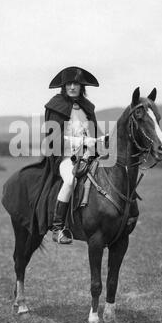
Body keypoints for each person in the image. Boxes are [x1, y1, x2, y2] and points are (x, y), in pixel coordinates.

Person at [45, 66, 99, 244]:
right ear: (64, 86)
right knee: (70, 181)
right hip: (65, 157)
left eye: (76, 83)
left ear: (82, 86)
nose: (72, 87)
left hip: (89, 156)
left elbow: (93, 133)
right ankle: (58, 228)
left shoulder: (87, 107)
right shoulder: (56, 106)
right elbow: (53, 138)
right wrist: (80, 142)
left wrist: (97, 142)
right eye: (69, 83)